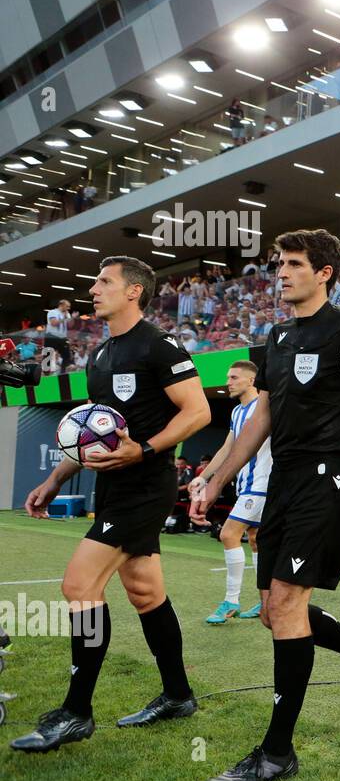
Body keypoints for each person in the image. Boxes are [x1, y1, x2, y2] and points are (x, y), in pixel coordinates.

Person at [191, 230, 340, 781]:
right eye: (279, 264)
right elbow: (259, 419)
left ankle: (277, 752)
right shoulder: (277, 336)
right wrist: (214, 478)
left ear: (324, 272)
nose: (280, 272)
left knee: (287, 606)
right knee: (273, 613)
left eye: (293, 264)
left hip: (326, 477)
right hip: (281, 479)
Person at [15, 257, 210, 753]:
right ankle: (178, 695)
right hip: (113, 491)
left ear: (134, 292)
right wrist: (56, 477)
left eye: (105, 281)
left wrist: (143, 449)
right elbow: (91, 436)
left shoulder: (159, 345)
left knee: (78, 586)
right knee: (145, 593)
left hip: (147, 488)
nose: (94, 289)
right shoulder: (100, 355)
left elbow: (198, 411)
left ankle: (77, 712)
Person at [188, 361, 273, 623]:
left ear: (251, 380)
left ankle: (231, 601)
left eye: (234, 377)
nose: (229, 381)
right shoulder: (237, 412)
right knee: (256, 538)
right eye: (228, 377)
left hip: (263, 485)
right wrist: (203, 477)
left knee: (228, 534)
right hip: (246, 486)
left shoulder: (267, 406)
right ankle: (264, 603)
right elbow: (227, 449)